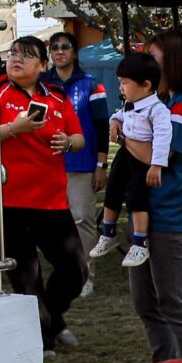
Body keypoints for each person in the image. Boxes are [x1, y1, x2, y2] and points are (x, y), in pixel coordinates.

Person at [0, 35, 86, 359]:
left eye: (26, 55)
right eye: (12, 54)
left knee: (75, 271)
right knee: (26, 277)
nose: (16, 59)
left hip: (51, 199)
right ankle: (42, 340)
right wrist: (13, 129)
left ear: (43, 65)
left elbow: (79, 137)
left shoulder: (56, 97)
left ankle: (51, 317)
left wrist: (68, 142)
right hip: (6, 200)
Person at [124, 31, 182, 363]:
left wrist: (123, 131)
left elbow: (157, 156)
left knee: (174, 302)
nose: (147, 64)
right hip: (148, 217)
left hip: (173, 218)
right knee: (146, 302)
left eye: (153, 57)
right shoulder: (166, 104)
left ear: (174, 62)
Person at [92, 52, 169, 268]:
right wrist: (115, 122)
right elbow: (118, 114)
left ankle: (140, 242)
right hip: (124, 155)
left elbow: (163, 139)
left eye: (124, 83)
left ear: (145, 85)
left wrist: (156, 165)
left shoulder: (157, 110)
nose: (121, 88)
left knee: (136, 197)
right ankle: (108, 232)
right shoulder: (130, 104)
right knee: (113, 189)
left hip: (142, 162)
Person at [45, 32, 108, 291]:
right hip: (47, 165)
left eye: (65, 47)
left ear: (74, 52)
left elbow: (102, 127)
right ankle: (63, 274)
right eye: (55, 48)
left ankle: (85, 277)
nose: (59, 52)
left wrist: (101, 165)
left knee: (82, 220)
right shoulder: (40, 84)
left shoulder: (92, 85)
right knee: (51, 224)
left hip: (82, 164)